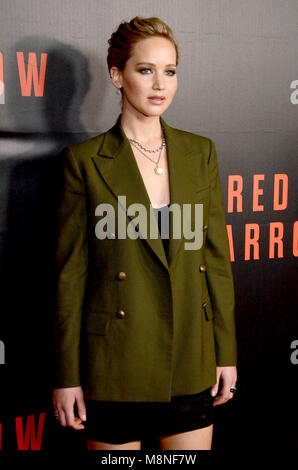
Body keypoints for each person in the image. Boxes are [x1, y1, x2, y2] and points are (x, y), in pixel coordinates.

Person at [52, 16, 238, 451]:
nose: (160, 84)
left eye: (170, 71)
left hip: (191, 360)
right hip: (114, 365)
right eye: (145, 70)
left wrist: (225, 353)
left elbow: (215, 262)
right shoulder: (83, 161)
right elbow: (70, 277)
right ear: (117, 75)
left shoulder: (200, 152)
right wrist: (67, 377)